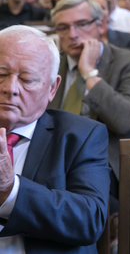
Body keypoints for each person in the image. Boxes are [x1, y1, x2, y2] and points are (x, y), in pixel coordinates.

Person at [0, 25, 110, 252]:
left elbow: (89, 221)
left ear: (52, 88)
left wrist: (10, 189)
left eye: (27, 79)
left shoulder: (81, 136)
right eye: (1, 75)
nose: (10, 88)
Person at [48, 0, 130, 201]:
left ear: (100, 25)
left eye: (81, 24)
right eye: (63, 28)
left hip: (104, 165)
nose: (72, 34)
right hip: (53, 161)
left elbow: (126, 121)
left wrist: (89, 73)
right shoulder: (50, 66)